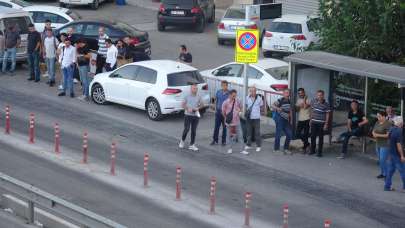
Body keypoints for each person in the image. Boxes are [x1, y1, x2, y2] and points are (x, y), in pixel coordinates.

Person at [179, 84, 204, 151]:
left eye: (196, 89)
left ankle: (192, 145)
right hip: (188, 115)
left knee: (194, 130)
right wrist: (187, 109)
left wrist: (198, 108)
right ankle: (182, 141)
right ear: (191, 89)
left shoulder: (198, 96)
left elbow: (202, 105)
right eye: (194, 88)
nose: (195, 90)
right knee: (187, 129)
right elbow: (182, 104)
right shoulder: (187, 96)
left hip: (195, 115)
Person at [384, 116, 405, 192]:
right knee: (403, 171)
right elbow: (399, 145)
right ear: (400, 123)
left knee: (390, 170)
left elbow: (388, 140)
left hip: (391, 153)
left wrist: (389, 153)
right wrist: (402, 156)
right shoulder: (399, 131)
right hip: (397, 154)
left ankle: (387, 186)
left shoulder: (392, 129)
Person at [309, 90, 331, 157]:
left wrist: (326, 124)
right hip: (314, 122)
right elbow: (312, 111)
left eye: (321, 95)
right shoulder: (313, 101)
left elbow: (327, 114)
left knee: (321, 138)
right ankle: (312, 150)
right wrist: (310, 120)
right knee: (313, 137)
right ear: (316, 95)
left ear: (323, 95)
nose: (319, 96)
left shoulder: (326, 104)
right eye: (318, 95)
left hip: (321, 123)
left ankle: (319, 152)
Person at [242, 87, 263, 155]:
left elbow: (261, 106)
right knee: (249, 132)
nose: (252, 92)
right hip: (249, 117)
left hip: (256, 118)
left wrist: (261, 113)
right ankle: (248, 145)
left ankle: (258, 145)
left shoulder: (259, 98)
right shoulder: (247, 98)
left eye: (254, 91)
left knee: (257, 132)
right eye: (251, 91)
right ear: (249, 92)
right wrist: (244, 114)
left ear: (256, 91)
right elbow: (245, 106)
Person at [272, 89, 293, 155]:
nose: (287, 94)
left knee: (289, 134)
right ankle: (276, 149)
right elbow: (272, 105)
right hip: (280, 118)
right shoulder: (280, 100)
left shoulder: (289, 101)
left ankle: (286, 148)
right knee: (279, 134)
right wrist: (278, 108)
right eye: (286, 93)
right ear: (283, 93)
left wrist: (291, 119)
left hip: (286, 120)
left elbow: (290, 111)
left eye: (288, 93)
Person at [222, 89, 242, 154]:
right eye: (233, 96)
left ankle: (241, 149)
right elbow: (223, 112)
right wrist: (226, 118)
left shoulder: (237, 101)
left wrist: (239, 111)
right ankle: (229, 148)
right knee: (228, 135)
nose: (234, 97)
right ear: (230, 95)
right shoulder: (225, 102)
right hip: (229, 122)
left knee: (240, 135)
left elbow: (240, 108)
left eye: (235, 96)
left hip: (237, 121)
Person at [372, 111, 391, 179]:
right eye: (377, 116)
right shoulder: (377, 122)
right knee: (380, 160)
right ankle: (383, 173)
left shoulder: (388, 124)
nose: (378, 118)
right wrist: (373, 134)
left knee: (383, 159)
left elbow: (388, 135)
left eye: (379, 116)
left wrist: (377, 135)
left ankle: (386, 174)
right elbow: (373, 130)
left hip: (385, 144)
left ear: (384, 116)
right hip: (378, 143)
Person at [210, 80, 229, 146]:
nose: (224, 87)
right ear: (221, 86)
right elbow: (215, 100)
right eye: (223, 85)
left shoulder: (229, 94)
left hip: (225, 113)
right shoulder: (218, 92)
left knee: (224, 128)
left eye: (225, 85)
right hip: (218, 112)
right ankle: (215, 140)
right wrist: (215, 108)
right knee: (216, 127)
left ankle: (223, 141)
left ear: (227, 86)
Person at [295, 88, 311, 153]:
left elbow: (305, 107)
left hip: (307, 119)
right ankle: (307, 144)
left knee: (306, 134)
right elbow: (297, 110)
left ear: (304, 92)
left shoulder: (308, 99)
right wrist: (298, 107)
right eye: (299, 93)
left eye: (301, 93)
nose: (300, 94)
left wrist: (304, 100)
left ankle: (304, 148)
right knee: (297, 134)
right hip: (300, 119)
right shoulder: (298, 100)